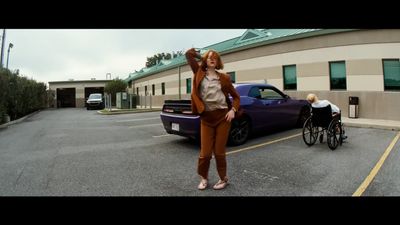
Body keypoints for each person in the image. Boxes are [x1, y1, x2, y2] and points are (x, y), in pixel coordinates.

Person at [185, 48, 240, 190]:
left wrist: (233, 110)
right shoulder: (198, 73)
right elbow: (188, 54)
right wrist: (202, 56)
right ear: (205, 60)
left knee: (219, 151)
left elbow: (236, 97)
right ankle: (204, 178)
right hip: (207, 118)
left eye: (215, 57)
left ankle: (223, 178)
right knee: (205, 153)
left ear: (218, 62)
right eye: (209, 57)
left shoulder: (224, 78)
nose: (212, 59)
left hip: (222, 118)